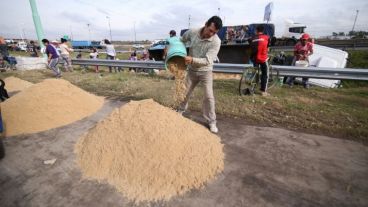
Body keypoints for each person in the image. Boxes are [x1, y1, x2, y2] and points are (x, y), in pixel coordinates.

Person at [178, 16, 222, 134]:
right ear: (206, 24)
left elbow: (208, 60)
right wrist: (177, 50)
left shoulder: (216, 41)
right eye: (210, 30)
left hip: (206, 71)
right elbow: (182, 40)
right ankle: (180, 111)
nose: (211, 34)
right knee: (185, 92)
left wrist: (191, 59)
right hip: (192, 71)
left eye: (214, 32)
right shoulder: (192, 32)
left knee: (209, 96)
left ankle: (212, 122)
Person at [249, 25, 270, 96]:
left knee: (256, 73)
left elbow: (250, 45)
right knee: (265, 74)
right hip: (263, 59)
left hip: (254, 58)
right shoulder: (266, 37)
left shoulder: (252, 38)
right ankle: (263, 91)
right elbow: (267, 47)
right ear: (263, 31)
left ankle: (252, 88)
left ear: (256, 30)